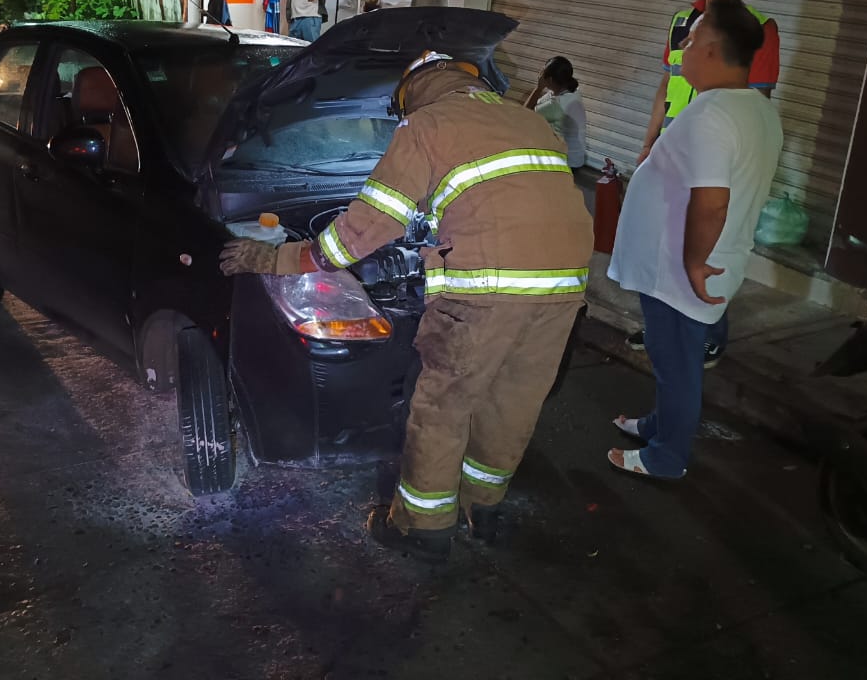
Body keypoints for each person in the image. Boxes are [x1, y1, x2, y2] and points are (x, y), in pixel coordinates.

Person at [220, 50, 593, 561]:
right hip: (564, 283)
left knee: (442, 405)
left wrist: (279, 257)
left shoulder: (427, 124)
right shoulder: (527, 119)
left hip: (488, 288)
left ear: (414, 90)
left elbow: (364, 230)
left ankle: (423, 526)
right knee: (513, 401)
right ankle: (483, 508)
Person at [606, 0, 782, 479]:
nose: (682, 45)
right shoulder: (754, 109)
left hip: (683, 271)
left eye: (691, 37)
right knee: (675, 359)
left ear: (711, 48)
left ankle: (666, 456)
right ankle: (659, 425)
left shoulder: (714, 115)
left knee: (676, 366)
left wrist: (693, 262)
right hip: (691, 264)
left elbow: (713, 202)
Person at [627, 0, 782, 367]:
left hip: (717, 151)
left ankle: (711, 332)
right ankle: (661, 323)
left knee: (712, 242)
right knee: (667, 237)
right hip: (674, 146)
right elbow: (666, 84)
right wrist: (648, 142)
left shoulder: (758, 28)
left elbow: (758, 99)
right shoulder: (682, 21)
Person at [522, 56, 587, 172]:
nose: (540, 75)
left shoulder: (558, 104)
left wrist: (538, 88)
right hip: (572, 156)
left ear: (550, 80)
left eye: (543, 72)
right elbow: (540, 103)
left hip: (566, 162)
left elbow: (524, 113)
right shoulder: (572, 91)